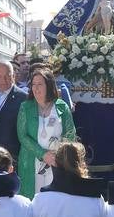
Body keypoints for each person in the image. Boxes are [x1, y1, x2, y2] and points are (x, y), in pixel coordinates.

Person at [16, 67, 76, 199]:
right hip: (32, 162)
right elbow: (22, 135)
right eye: (33, 85)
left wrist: (58, 156)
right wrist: (43, 154)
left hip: (57, 163)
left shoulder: (61, 106)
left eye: (40, 84)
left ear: (49, 86)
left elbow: (70, 134)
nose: (36, 88)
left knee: (55, 201)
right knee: (32, 202)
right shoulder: (25, 107)